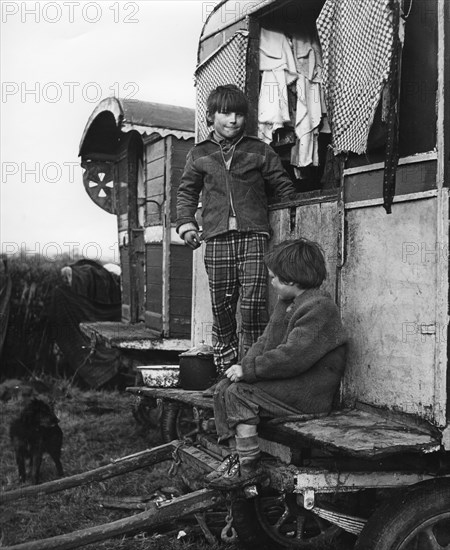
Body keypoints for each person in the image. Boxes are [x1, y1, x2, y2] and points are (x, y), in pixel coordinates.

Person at [206, 238, 347, 489]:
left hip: (308, 393)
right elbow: (264, 342)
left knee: (239, 395)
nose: (271, 283)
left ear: (291, 280)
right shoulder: (286, 304)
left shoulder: (319, 307)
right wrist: (242, 369)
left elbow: (293, 357)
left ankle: (248, 465)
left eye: (274, 278)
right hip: (290, 384)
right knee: (224, 389)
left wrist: (250, 371)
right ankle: (236, 457)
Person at [176, 84, 296, 374]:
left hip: (253, 236)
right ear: (210, 117)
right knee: (222, 303)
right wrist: (186, 223)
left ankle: (253, 364)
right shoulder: (199, 154)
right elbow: (186, 193)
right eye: (225, 113)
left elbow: (282, 183)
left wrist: (294, 209)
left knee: (254, 303)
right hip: (216, 238)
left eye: (239, 114)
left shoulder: (259, 150)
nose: (233, 120)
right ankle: (224, 366)